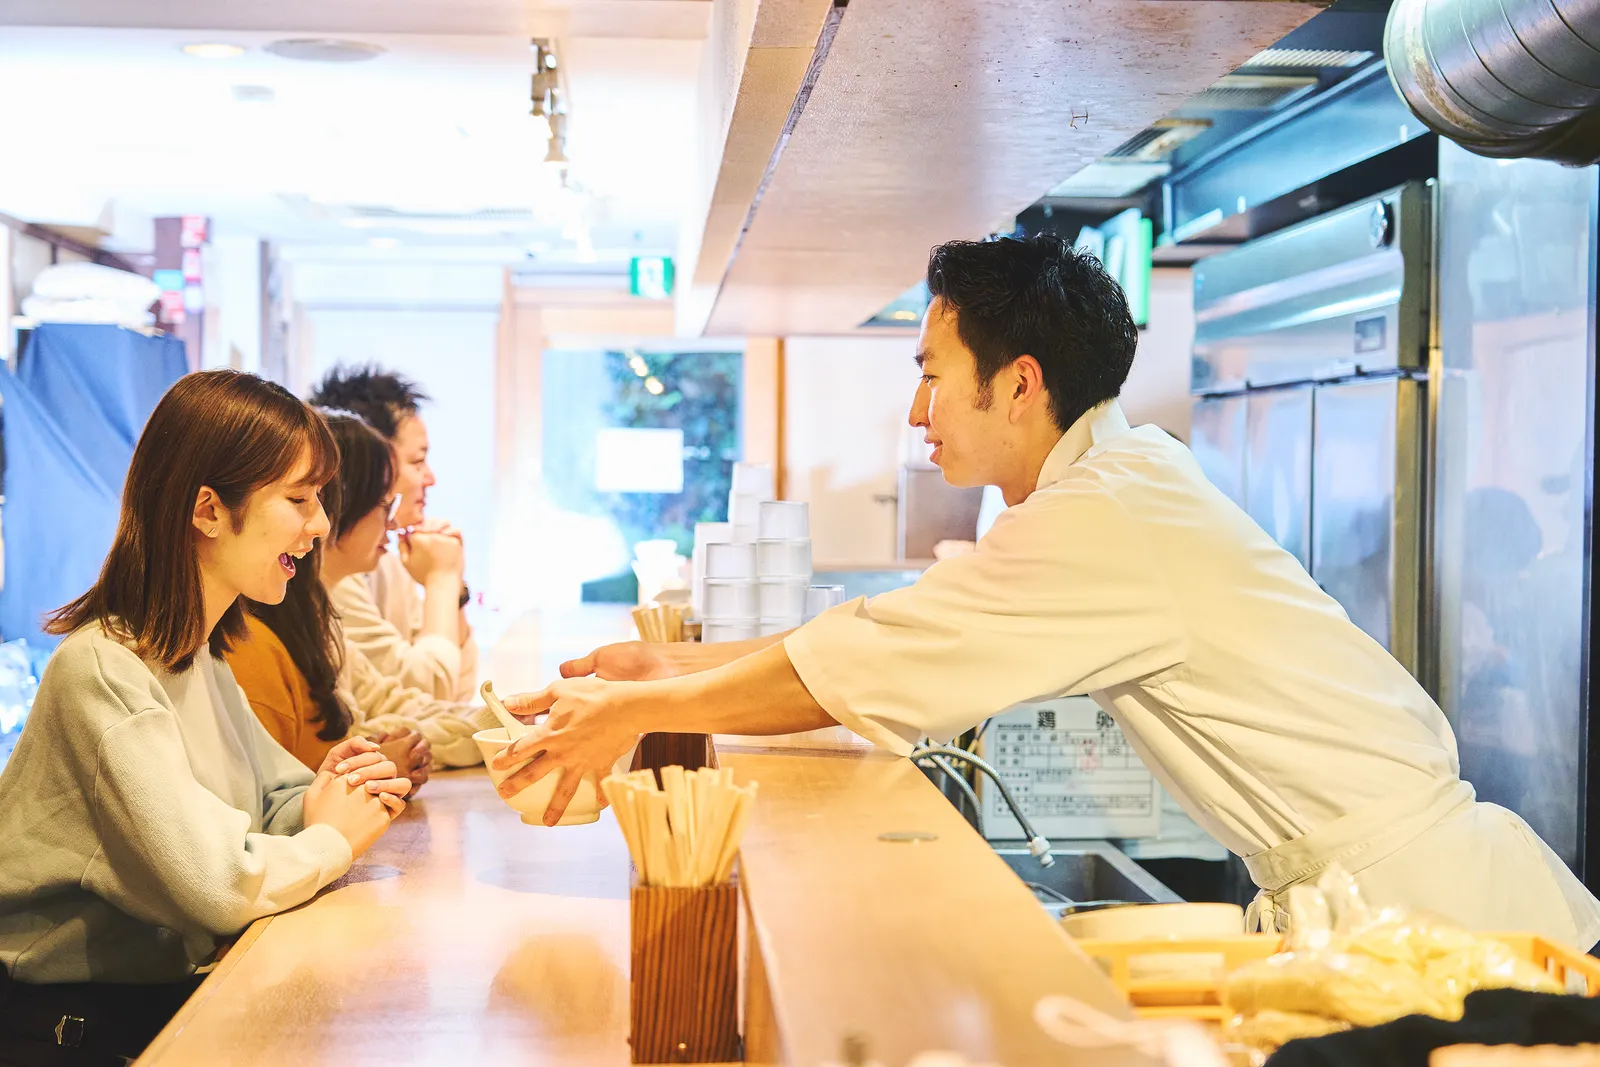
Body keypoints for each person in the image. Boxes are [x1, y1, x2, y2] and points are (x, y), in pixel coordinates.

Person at [494, 235, 1600, 951]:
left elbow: (873, 665)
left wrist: (646, 707)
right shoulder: (1108, 484)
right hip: (1394, 898)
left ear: (1017, 382)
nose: (917, 413)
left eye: (930, 373)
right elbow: (882, 635)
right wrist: (662, 668)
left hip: (1437, 919)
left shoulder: (1104, 511)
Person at [0, 370, 410, 1067]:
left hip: (154, 995)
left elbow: (273, 802)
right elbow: (213, 884)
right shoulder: (103, 667)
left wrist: (330, 790)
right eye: (300, 498)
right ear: (208, 510)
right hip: (69, 1026)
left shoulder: (197, 655)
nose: (319, 525)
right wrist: (331, 838)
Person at [228, 411, 497, 776]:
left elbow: (412, 698)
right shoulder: (266, 619)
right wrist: (443, 581)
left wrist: (501, 716)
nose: (393, 522)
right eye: (386, 504)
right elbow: (343, 745)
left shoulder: (319, 606)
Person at [308, 365, 478, 701]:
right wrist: (442, 579)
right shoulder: (327, 565)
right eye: (417, 462)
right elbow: (427, 691)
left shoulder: (385, 554)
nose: (430, 478)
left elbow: (458, 688)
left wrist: (451, 588)